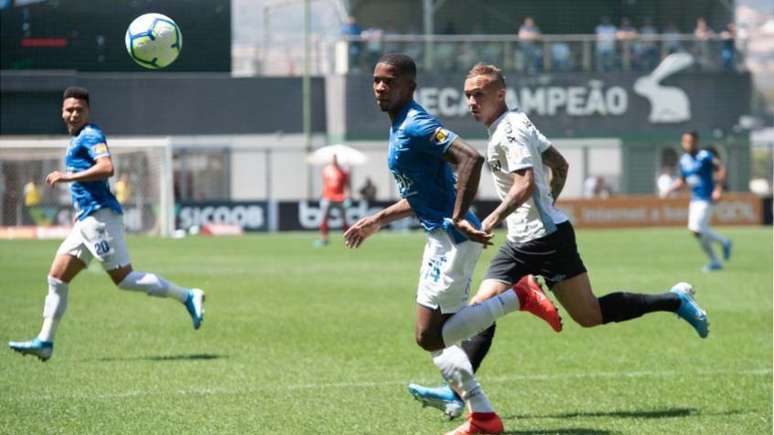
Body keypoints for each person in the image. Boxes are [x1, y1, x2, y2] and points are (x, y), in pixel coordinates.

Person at [408, 64, 711, 420]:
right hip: (523, 238)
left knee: (589, 315)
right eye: (468, 95)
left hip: (546, 240)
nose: (471, 101)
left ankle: (675, 300)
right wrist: (546, 202)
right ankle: (458, 392)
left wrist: (492, 219)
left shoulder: (510, 131)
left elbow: (523, 185)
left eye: (479, 94)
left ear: (500, 94)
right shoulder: (512, 124)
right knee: (482, 306)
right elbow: (561, 165)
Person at [344, 54, 561, 435]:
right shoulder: (399, 127)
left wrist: (459, 215)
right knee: (436, 338)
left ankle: (518, 297)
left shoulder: (416, 124)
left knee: (430, 335)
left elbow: (469, 158)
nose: (380, 87)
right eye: (376, 80)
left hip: (454, 240)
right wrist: (379, 219)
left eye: (389, 81)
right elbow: (424, 194)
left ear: (409, 87)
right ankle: (482, 416)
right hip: (441, 237)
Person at [8, 87, 204, 362]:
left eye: (79, 109)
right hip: (86, 221)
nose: (74, 114)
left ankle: (188, 296)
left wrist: (67, 177)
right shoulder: (76, 138)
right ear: (62, 112)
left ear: (88, 112)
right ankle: (45, 341)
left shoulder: (90, 135)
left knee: (124, 279)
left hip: (100, 218)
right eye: (69, 109)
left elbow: (106, 167)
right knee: (56, 278)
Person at [662, 131, 732, 271]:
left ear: (696, 142)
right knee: (697, 233)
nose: (688, 144)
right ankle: (715, 261)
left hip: (707, 198)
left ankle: (724, 242)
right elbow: (682, 181)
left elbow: (721, 169)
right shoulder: (683, 160)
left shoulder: (704, 156)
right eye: (685, 141)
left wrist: (718, 189)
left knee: (696, 228)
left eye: (691, 141)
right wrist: (669, 190)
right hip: (695, 199)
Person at [317, 154, 351, 247]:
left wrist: (348, 197)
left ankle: (348, 239)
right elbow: (325, 185)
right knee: (323, 219)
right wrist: (322, 196)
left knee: (344, 220)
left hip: (340, 198)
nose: (334, 160)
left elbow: (347, 185)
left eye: (335, 158)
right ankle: (324, 239)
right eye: (333, 158)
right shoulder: (326, 170)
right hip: (327, 198)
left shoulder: (343, 171)